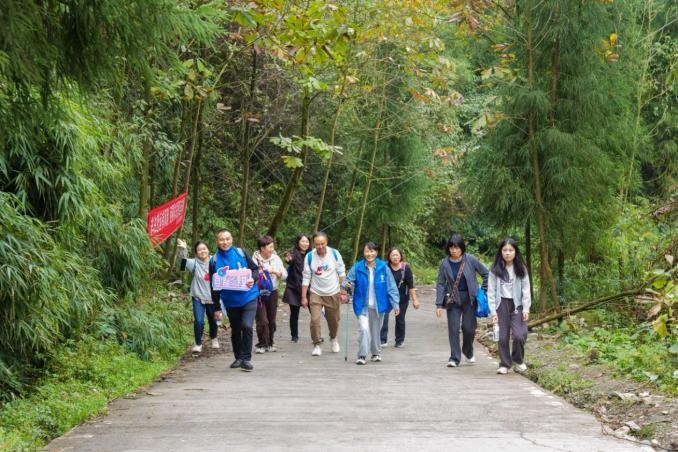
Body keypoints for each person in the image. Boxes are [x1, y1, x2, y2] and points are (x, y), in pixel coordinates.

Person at [435, 234, 489, 367]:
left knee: (469, 329)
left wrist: (483, 289)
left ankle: (468, 351)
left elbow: (486, 273)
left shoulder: (470, 259)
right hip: (453, 299)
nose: (454, 250)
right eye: (451, 248)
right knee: (453, 329)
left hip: (470, 299)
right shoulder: (444, 263)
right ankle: (454, 358)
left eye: (457, 248)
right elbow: (441, 283)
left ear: (462, 248)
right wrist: (439, 304)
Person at [210, 229, 259, 372]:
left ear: (232, 239)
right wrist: (217, 307)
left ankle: (246, 359)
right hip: (230, 301)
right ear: (217, 241)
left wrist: (252, 279)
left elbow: (255, 269)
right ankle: (238, 357)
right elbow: (214, 286)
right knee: (236, 329)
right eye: (221, 239)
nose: (225, 242)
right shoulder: (214, 260)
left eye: (227, 239)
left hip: (249, 296)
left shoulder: (241, 253)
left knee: (247, 326)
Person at [344, 242, 400, 365]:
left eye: (372, 251)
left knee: (375, 331)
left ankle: (375, 353)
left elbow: (391, 287)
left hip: (378, 305)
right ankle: (362, 355)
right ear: (363, 253)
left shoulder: (383, 267)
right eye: (367, 251)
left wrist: (395, 304)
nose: (369, 254)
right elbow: (347, 281)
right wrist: (347, 285)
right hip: (362, 305)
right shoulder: (358, 267)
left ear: (376, 252)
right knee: (364, 329)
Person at [488, 238, 531, 374]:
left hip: (517, 305)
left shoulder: (521, 268)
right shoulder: (495, 269)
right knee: (502, 336)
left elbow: (526, 289)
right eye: (505, 250)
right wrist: (493, 312)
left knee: (519, 335)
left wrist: (526, 308)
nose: (507, 253)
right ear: (500, 252)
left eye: (510, 250)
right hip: (501, 304)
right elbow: (491, 292)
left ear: (515, 252)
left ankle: (518, 360)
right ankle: (504, 364)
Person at [301, 231, 347, 356]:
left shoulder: (334, 254)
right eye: (317, 244)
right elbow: (306, 277)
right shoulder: (309, 256)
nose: (320, 246)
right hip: (316, 292)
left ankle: (333, 337)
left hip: (333, 292)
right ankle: (316, 344)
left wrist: (343, 292)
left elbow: (342, 273)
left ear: (326, 242)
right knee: (314, 320)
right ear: (313, 244)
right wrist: (304, 297)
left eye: (322, 244)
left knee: (334, 320)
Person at [177, 238, 219, 353]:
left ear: (208, 250)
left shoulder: (215, 261)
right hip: (198, 297)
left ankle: (214, 337)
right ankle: (198, 343)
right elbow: (182, 263)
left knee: (213, 320)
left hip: (212, 297)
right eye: (199, 250)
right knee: (199, 321)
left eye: (204, 248)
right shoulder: (194, 263)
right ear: (196, 253)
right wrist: (183, 249)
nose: (202, 251)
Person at [252, 235, 287, 354]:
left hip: (273, 292)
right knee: (262, 320)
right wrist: (262, 271)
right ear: (262, 248)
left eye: (273, 246)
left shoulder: (276, 259)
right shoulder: (253, 260)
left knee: (271, 320)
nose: (272, 249)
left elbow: (285, 275)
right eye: (270, 247)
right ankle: (262, 344)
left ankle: (270, 342)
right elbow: (250, 275)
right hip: (258, 293)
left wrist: (276, 272)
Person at [380, 247, 420, 348]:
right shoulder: (384, 267)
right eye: (392, 255)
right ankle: (382, 339)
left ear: (400, 256)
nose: (395, 257)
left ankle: (399, 340)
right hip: (387, 296)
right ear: (389, 257)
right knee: (383, 316)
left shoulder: (406, 268)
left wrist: (415, 300)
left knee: (400, 319)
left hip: (402, 297)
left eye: (397, 255)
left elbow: (411, 286)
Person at [283, 234, 311, 342]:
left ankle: (316, 334)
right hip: (294, 287)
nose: (305, 243)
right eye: (302, 241)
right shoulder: (293, 253)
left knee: (314, 312)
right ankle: (294, 335)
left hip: (308, 287)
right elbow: (290, 260)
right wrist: (288, 260)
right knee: (294, 313)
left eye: (307, 241)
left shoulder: (311, 255)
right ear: (298, 242)